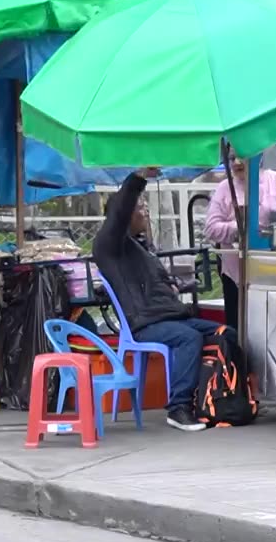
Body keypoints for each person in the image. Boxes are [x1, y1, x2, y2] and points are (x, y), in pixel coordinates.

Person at [94, 168, 223, 433]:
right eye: (140, 207)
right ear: (124, 215)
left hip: (169, 316)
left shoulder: (140, 248)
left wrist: (176, 286)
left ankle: (222, 399)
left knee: (226, 333)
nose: (145, 212)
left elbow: (156, 285)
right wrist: (138, 179)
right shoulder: (110, 245)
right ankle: (179, 408)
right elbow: (119, 210)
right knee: (189, 338)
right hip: (145, 324)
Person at [203, 144, 276, 329]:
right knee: (237, 327)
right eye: (232, 158)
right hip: (235, 274)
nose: (237, 163)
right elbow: (210, 228)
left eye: (242, 156)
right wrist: (238, 227)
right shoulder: (225, 188)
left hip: (274, 271)